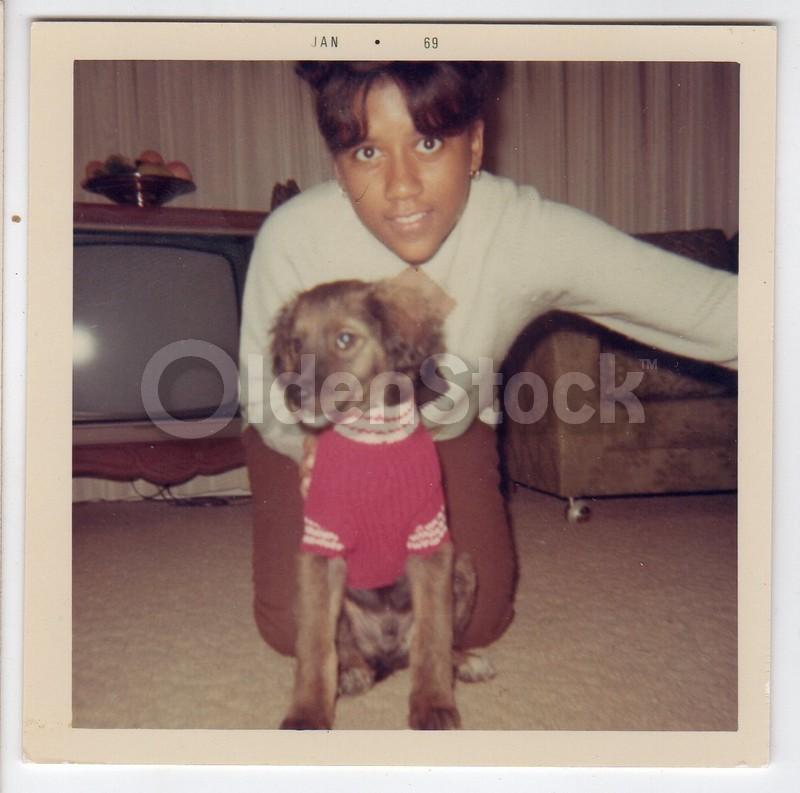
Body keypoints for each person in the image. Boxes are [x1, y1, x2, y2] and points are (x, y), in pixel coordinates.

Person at [238, 61, 737, 658]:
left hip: (445, 428)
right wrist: (310, 445)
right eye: (368, 153)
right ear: (339, 167)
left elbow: (717, 311)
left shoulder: (523, 232)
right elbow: (264, 391)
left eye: (428, 143)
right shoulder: (294, 236)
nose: (401, 187)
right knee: (301, 625)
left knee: (471, 619)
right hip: (316, 436)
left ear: (474, 144)